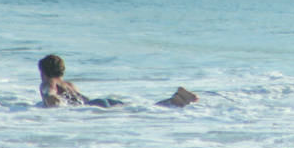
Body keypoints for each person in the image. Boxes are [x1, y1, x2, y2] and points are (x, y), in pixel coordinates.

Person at [38, 54, 198, 108]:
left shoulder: (49, 82)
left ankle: (177, 99)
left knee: (143, 111)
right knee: (144, 108)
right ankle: (178, 98)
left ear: (43, 72)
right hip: (100, 102)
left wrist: (50, 99)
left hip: (93, 107)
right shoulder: (69, 84)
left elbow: (50, 93)